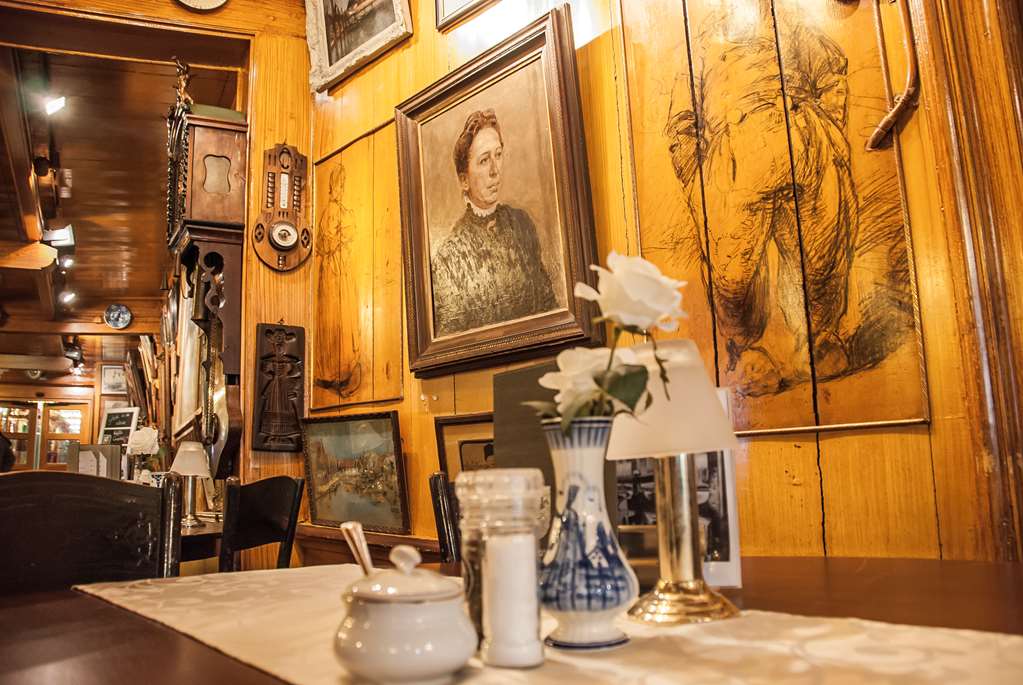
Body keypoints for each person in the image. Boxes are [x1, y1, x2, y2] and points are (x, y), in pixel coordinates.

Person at [430, 109, 558, 337]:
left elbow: (549, 306)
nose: (495, 171)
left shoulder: (521, 224)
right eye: (483, 160)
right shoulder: (449, 257)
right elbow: (453, 342)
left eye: (498, 155)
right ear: (464, 180)